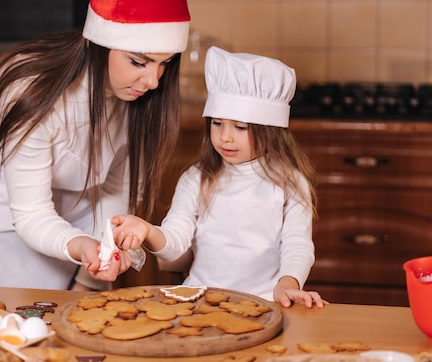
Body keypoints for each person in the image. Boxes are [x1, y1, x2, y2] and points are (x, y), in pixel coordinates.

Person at [0, 0, 191, 290]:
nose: (153, 81)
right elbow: (32, 214)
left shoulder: (139, 99)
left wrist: (91, 272)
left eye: (164, 64)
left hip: (79, 214)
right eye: (139, 62)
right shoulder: (29, 93)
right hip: (6, 219)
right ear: (100, 44)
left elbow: (116, 189)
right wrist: (82, 247)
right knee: (17, 322)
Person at [112, 46, 325, 308]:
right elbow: (176, 243)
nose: (225, 136)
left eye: (240, 127)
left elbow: (297, 243)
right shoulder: (196, 179)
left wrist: (288, 284)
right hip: (199, 301)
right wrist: (147, 230)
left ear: (271, 131)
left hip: (264, 303)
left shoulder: (290, 184)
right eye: (217, 123)